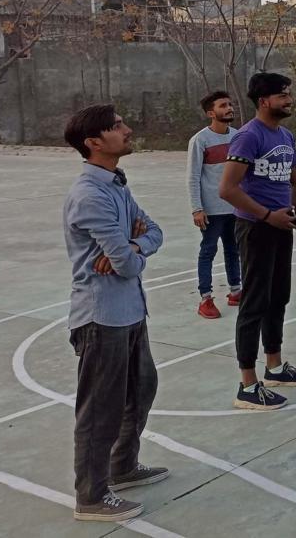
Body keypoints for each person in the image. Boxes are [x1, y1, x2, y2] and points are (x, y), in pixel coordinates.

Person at [63, 104, 168, 523]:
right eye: (118, 126)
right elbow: (122, 264)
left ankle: (122, 466)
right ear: (94, 142)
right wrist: (129, 252)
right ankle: (91, 496)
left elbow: (154, 232)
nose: (128, 130)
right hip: (101, 316)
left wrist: (134, 245)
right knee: (100, 409)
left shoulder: (117, 186)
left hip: (130, 310)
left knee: (142, 388)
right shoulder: (90, 195)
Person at [219, 71, 296, 411]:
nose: (289, 100)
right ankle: (247, 384)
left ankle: (274, 366)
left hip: (281, 225)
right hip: (255, 228)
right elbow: (227, 189)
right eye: (282, 95)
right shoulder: (248, 137)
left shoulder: (285, 135)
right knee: (254, 302)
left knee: (278, 297)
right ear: (263, 101)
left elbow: (293, 181)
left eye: (288, 94)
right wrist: (266, 215)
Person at [187, 90, 241, 319]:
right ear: (211, 113)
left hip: (235, 206)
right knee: (208, 251)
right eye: (223, 106)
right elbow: (193, 177)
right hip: (211, 210)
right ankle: (206, 298)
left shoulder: (238, 136)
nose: (229, 108)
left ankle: (236, 291)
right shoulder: (200, 140)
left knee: (234, 249)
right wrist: (197, 208)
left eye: (230, 104)